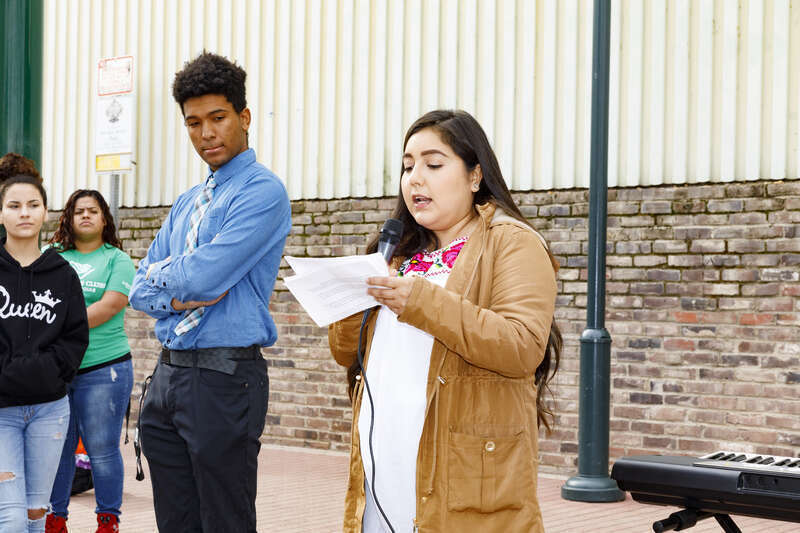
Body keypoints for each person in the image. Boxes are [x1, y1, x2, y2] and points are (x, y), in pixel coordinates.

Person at [328, 109, 562, 533]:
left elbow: (522, 345)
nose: (416, 178)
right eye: (407, 166)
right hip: (382, 478)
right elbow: (346, 352)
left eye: (434, 164)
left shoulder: (513, 243)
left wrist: (419, 300)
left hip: (465, 484)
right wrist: (348, 299)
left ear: (475, 175)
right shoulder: (396, 255)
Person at [128, 51, 291, 532]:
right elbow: (137, 287)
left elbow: (205, 278)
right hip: (168, 378)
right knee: (176, 522)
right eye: (193, 123)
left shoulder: (262, 192)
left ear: (243, 117)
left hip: (225, 379)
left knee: (225, 521)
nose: (206, 134)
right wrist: (175, 297)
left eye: (217, 118)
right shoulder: (187, 203)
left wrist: (173, 276)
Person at [0, 175, 89, 533]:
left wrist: (42, 371)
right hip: (1, 411)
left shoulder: (63, 274)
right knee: (11, 517)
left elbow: (75, 339)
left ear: (45, 213)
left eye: (33, 205)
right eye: (14, 205)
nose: (25, 213)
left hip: (50, 411)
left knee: (37, 513)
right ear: (0, 213)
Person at [45, 190, 135, 533]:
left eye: (93, 211)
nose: (85, 216)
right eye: (79, 211)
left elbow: (110, 306)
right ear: (68, 217)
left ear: (104, 219)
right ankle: (55, 519)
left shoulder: (117, 259)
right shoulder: (50, 256)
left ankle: (107, 521)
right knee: (57, 449)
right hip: (55, 368)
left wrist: (55, 322)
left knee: (102, 450)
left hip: (104, 367)